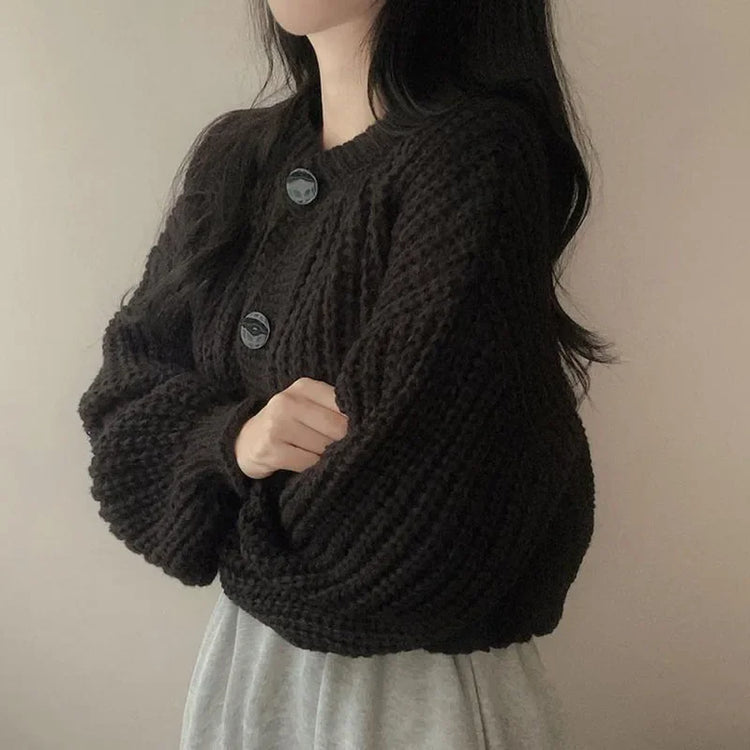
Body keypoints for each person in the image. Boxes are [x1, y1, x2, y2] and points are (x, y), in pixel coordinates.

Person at [77, 0, 619, 747]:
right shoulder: (236, 159)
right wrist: (233, 441)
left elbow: (399, 529)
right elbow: (123, 405)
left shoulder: (475, 156)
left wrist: (210, 517)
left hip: (412, 698)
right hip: (245, 676)